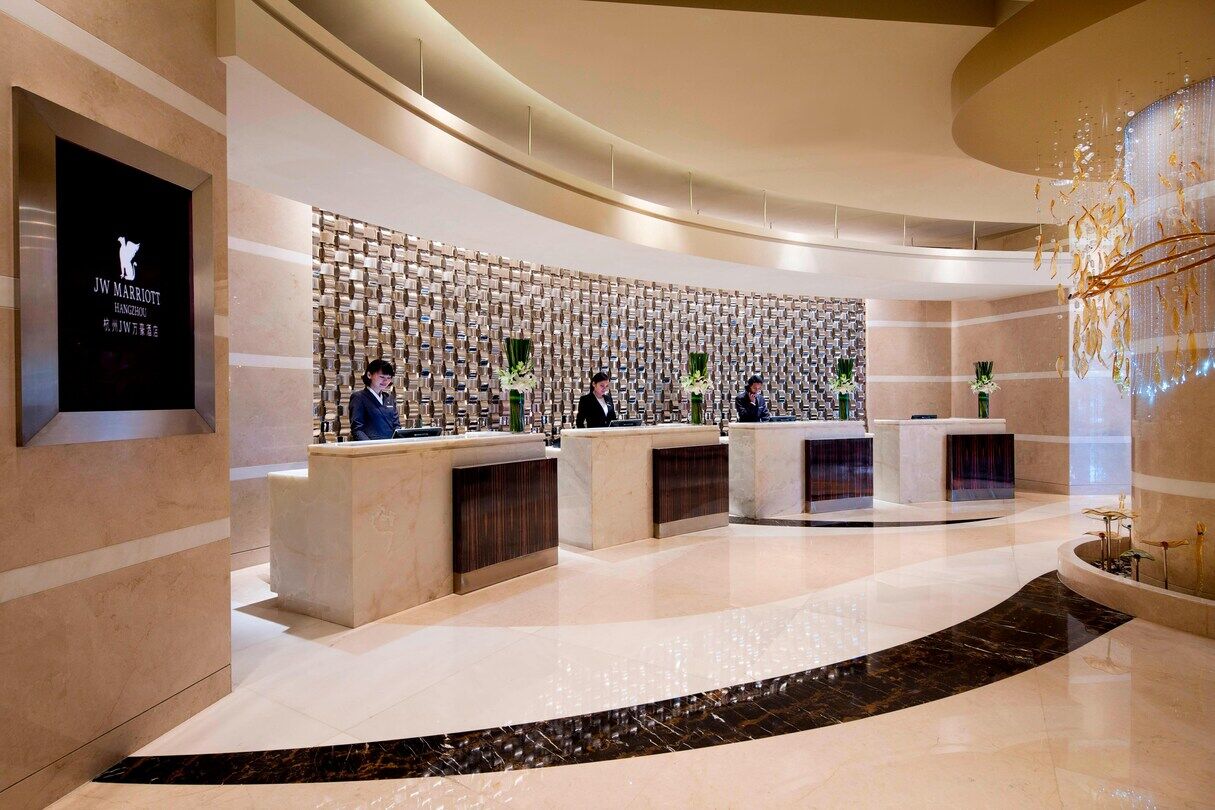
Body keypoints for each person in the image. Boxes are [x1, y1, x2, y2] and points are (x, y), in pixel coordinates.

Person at [349, 358, 402, 440]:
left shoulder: (389, 398)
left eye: (389, 378)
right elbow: (357, 430)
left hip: (391, 445)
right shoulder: (359, 397)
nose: (385, 381)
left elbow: (396, 427)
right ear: (369, 375)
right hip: (371, 445)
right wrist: (370, 446)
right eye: (382, 377)